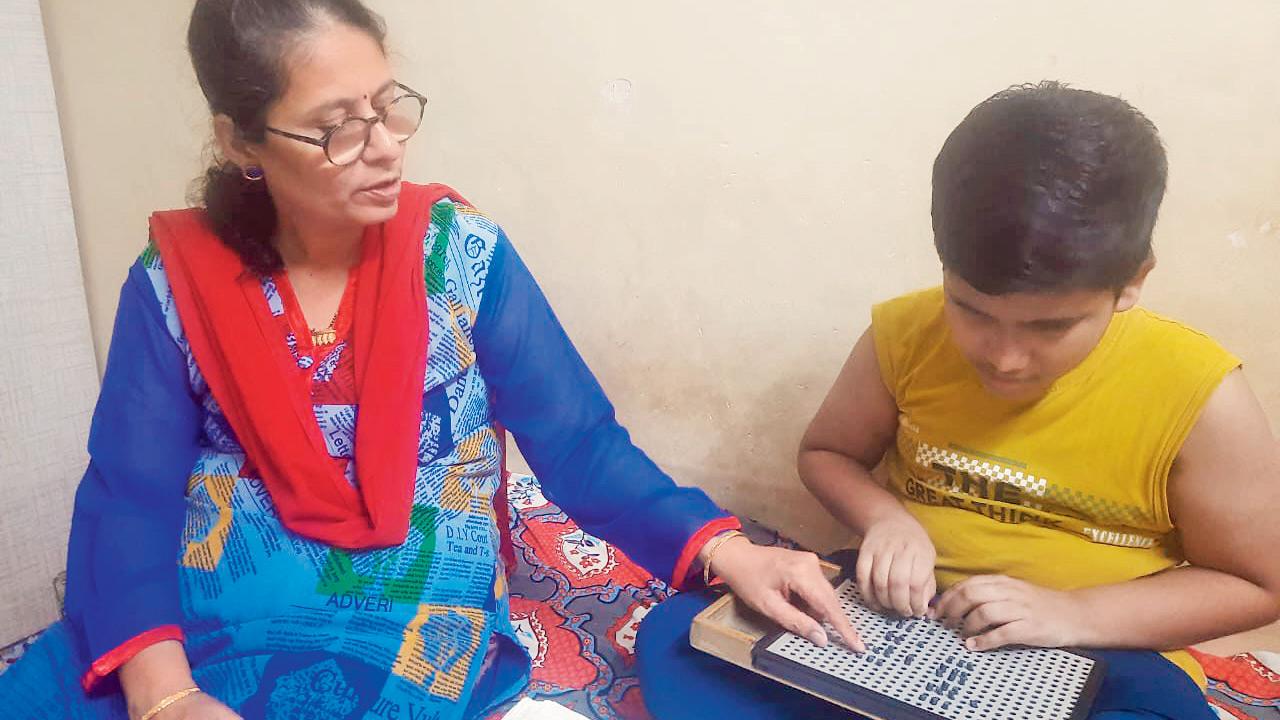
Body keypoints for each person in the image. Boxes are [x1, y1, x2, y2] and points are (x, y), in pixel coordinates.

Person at [0, 2, 860, 718]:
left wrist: (725, 551)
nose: (384, 145)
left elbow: (581, 447)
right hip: (207, 615)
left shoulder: (463, 259)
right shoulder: (175, 284)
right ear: (241, 143)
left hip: (408, 610)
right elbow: (129, 495)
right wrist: (166, 695)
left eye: (389, 105)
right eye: (336, 128)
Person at [637, 82, 1280, 719]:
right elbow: (828, 452)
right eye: (970, 310)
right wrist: (887, 520)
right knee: (678, 638)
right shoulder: (904, 336)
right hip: (904, 620)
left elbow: (1258, 584)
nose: (1004, 357)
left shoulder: (1200, 393)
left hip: (1098, 648)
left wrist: (1073, 613)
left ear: (1132, 283)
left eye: (1051, 328)